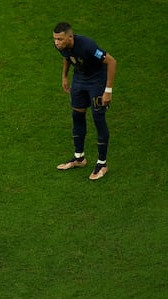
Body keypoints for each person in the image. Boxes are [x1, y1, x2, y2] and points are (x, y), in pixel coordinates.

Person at [53, 22, 117, 180]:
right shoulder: (61, 46)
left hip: (96, 81)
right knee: (77, 115)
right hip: (80, 80)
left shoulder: (88, 46)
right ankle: (79, 158)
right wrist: (64, 76)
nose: (56, 42)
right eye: (55, 39)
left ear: (70, 37)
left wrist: (108, 90)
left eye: (60, 39)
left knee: (98, 118)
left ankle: (102, 164)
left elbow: (111, 61)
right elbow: (67, 57)